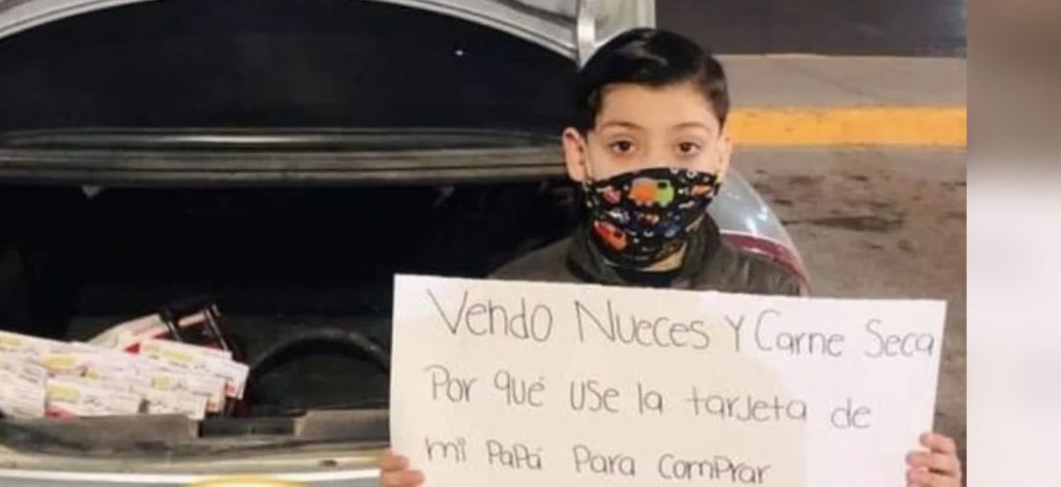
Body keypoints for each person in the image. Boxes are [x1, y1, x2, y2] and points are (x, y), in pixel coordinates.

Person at [379, 27, 962, 487]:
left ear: (720, 158)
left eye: (686, 147)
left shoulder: (773, 300)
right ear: (580, 156)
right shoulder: (507, 305)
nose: (654, 179)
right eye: (624, 145)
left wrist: (912, 475)